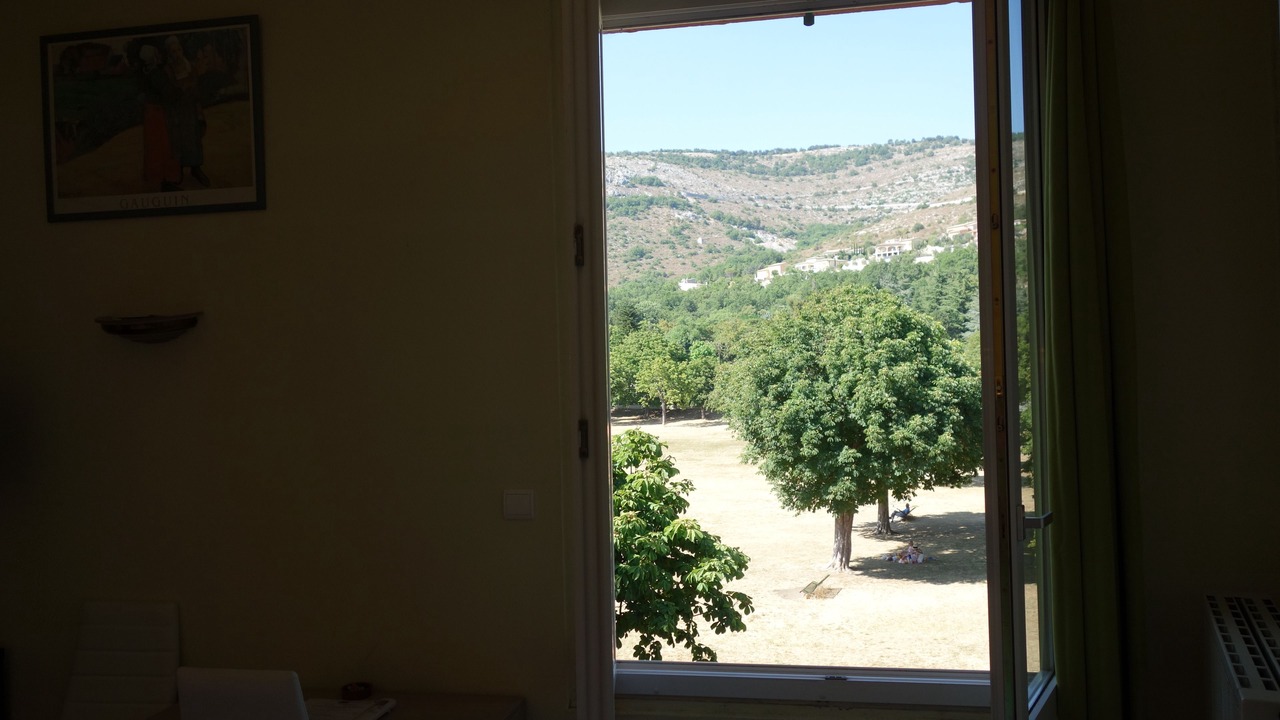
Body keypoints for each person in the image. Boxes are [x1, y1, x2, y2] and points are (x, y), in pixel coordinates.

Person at [137, 44, 181, 191]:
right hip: (158, 113)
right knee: (164, 146)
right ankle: (165, 180)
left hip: (150, 113)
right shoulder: (156, 73)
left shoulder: (145, 72)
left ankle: (156, 177)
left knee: (154, 146)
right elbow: (167, 92)